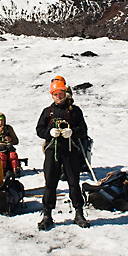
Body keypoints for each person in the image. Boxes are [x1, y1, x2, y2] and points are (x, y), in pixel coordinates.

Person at [35, 76, 90, 230]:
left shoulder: (75, 111)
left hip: (70, 151)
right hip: (52, 151)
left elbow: (83, 130)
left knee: (74, 183)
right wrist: (49, 132)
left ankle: (79, 213)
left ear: (65, 93)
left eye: (61, 94)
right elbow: (39, 130)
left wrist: (72, 132)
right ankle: (47, 215)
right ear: (51, 95)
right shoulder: (47, 112)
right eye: (55, 94)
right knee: (50, 183)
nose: (58, 97)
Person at [0, 113, 21, 178]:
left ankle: (16, 170)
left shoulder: (9, 128)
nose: (1, 122)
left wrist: (10, 139)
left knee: (13, 155)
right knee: (1, 157)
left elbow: (16, 141)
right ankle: (2, 171)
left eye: (2, 120)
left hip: (8, 146)